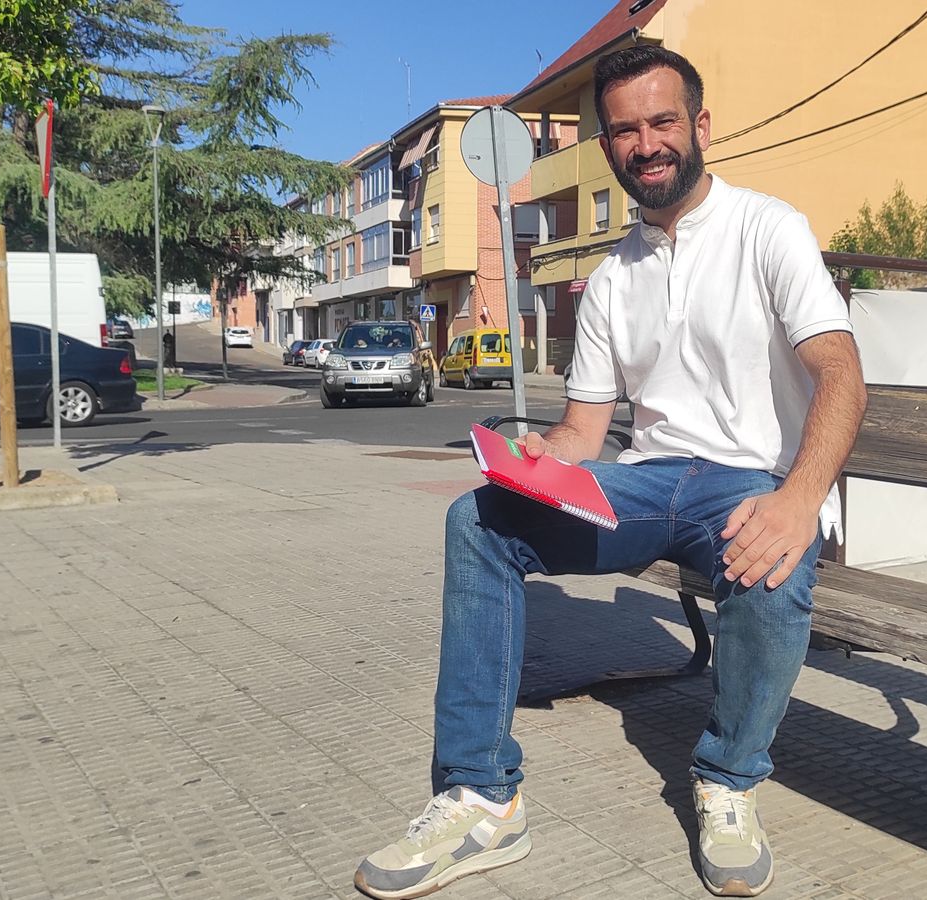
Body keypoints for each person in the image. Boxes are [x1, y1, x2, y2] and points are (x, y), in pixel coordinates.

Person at [355, 46, 866, 900]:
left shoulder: (766, 228)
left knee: (769, 561)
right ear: (609, 147)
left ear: (700, 127)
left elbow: (842, 374)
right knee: (477, 521)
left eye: (663, 122)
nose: (646, 144)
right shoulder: (612, 277)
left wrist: (799, 500)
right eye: (625, 130)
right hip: (647, 481)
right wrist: (531, 465)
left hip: (747, 482)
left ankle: (729, 782)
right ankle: (482, 798)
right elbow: (584, 432)